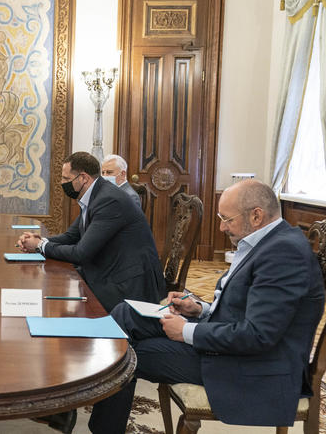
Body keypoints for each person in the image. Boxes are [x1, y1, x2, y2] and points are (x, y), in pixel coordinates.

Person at [88, 179, 325, 433]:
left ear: (256, 216)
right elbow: (244, 307)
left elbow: (258, 335)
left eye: (227, 219)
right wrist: (200, 309)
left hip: (250, 365)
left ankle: (99, 423)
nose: (221, 227)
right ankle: (87, 402)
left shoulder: (284, 254)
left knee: (125, 356)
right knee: (125, 313)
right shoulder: (267, 240)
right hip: (227, 340)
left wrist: (185, 331)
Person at [17, 151, 164, 312]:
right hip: (109, 271)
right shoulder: (95, 195)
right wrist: (40, 240)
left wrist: (40, 246)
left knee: (62, 302)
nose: (62, 183)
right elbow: (71, 236)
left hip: (127, 284)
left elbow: (81, 253)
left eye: (66, 178)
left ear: (83, 178)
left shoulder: (108, 200)